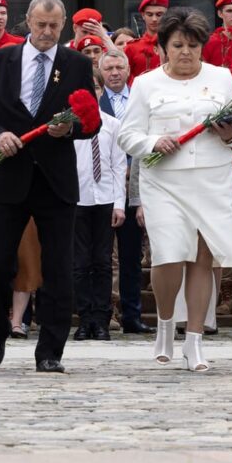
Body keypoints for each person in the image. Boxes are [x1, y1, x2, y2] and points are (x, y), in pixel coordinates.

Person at [0, 0, 96, 373]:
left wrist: (69, 129)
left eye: (54, 26)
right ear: (27, 21)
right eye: (40, 25)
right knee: (0, 263)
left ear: (64, 24)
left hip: (55, 181)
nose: (47, 32)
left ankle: (50, 350)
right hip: (9, 176)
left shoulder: (76, 64)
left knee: (58, 268)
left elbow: (91, 122)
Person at [116, 7, 232, 372]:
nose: (186, 52)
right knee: (169, 254)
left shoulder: (221, 77)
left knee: (203, 258)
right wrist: (153, 142)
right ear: (164, 47)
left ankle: (194, 340)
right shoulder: (146, 84)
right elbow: (127, 135)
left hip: (211, 179)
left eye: (193, 45)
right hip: (165, 182)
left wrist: (230, 132)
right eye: (177, 45)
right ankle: (164, 325)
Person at [95, 47, 146, 334]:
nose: (114, 73)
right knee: (102, 255)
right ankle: (104, 312)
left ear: (128, 70)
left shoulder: (139, 99)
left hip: (133, 184)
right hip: (102, 186)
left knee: (131, 255)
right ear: (100, 72)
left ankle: (132, 315)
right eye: (109, 69)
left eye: (119, 68)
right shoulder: (96, 101)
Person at [71, 86, 125, 342]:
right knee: (80, 262)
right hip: (78, 199)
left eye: (95, 88)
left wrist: (119, 204)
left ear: (101, 91)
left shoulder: (112, 124)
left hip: (105, 198)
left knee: (103, 261)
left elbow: (118, 165)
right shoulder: (70, 124)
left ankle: (102, 319)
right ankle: (84, 318)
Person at [121, 0, 171, 77]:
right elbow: (126, 78)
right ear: (143, 15)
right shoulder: (131, 48)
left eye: (159, 14)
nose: (154, 19)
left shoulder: (175, 45)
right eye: (149, 14)